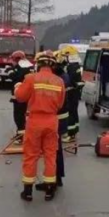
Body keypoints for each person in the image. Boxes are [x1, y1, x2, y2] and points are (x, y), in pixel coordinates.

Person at [15, 51, 65, 202]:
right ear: (52, 65)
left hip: (35, 121)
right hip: (51, 121)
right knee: (50, 155)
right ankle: (50, 189)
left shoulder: (31, 78)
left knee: (31, 155)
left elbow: (20, 97)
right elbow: (61, 104)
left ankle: (28, 191)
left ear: (39, 64)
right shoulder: (59, 81)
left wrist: (18, 87)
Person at [36, 52, 69, 191]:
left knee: (52, 151)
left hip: (55, 119)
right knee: (56, 150)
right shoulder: (62, 77)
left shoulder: (58, 79)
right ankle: (57, 178)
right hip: (59, 118)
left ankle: (53, 180)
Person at [6, 51, 33, 142]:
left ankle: (21, 137)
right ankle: (22, 134)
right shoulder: (30, 66)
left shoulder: (20, 67)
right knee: (24, 116)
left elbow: (14, 77)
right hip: (28, 95)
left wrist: (9, 70)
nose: (12, 62)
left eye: (13, 60)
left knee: (18, 116)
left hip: (20, 95)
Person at [59, 46, 84, 143]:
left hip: (71, 93)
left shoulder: (71, 67)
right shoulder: (76, 65)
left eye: (66, 56)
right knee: (74, 112)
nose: (65, 57)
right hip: (75, 92)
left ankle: (70, 134)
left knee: (70, 113)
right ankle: (74, 132)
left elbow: (70, 80)